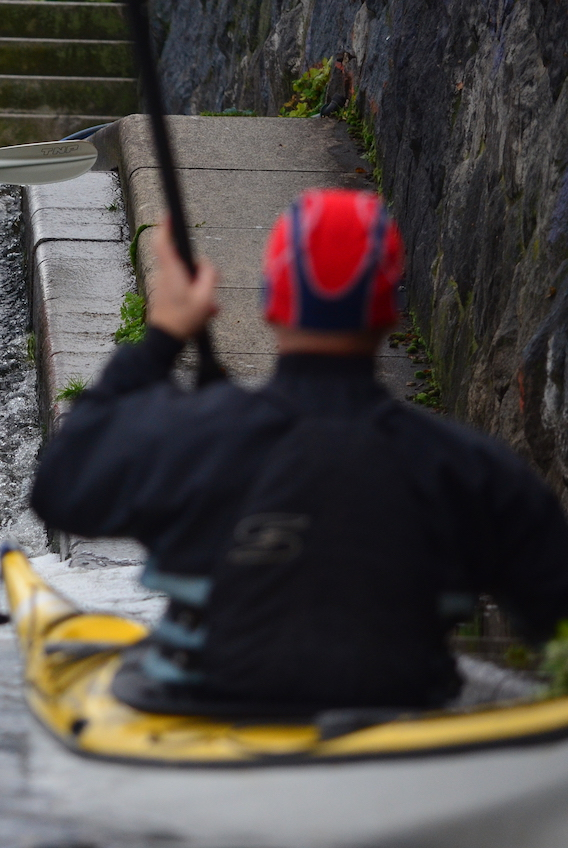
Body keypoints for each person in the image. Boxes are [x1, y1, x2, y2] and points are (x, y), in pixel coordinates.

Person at [30, 189, 568, 716]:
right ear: (391, 312)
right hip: (402, 722)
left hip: (202, 712)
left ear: (271, 302)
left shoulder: (185, 434)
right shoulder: (473, 471)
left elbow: (60, 489)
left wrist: (163, 337)